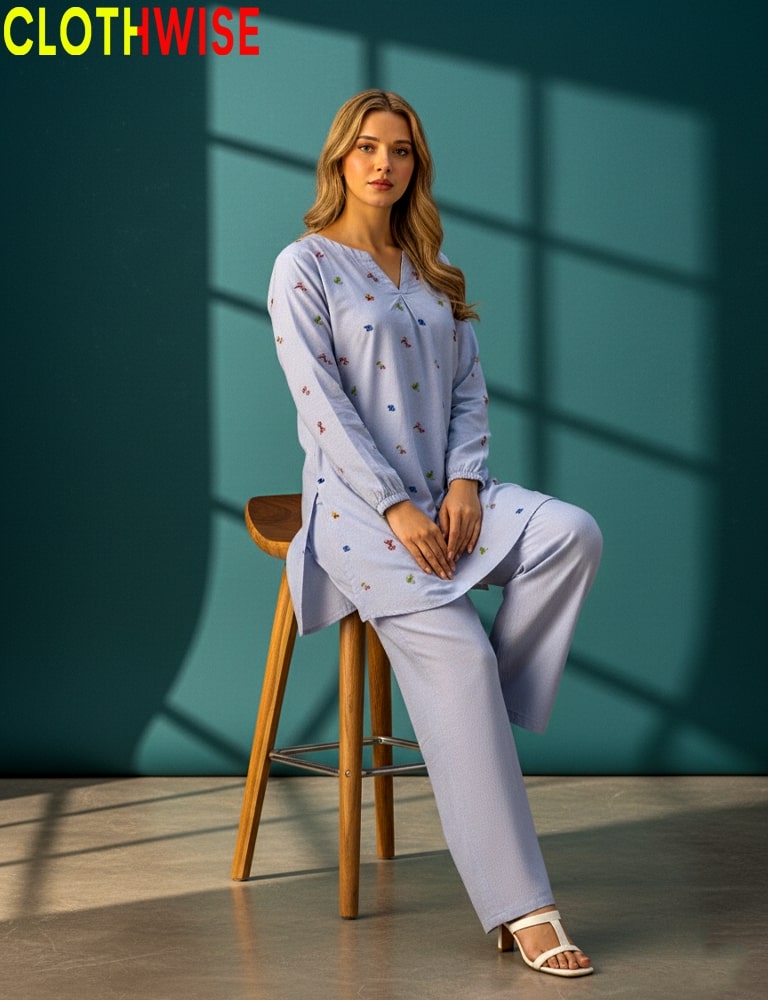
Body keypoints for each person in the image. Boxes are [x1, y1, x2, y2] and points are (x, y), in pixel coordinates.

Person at [267, 89, 602, 979]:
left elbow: (466, 390)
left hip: (449, 495)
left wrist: (461, 481)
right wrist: (395, 505)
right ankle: (524, 907)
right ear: (340, 158)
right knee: (460, 662)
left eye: (403, 151)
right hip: (360, 513)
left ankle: (482, 720)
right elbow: (323, 408)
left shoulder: (430, 264)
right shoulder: (303, 266)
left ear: (417, 165)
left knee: (572, 533)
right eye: (369, 148)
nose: (385, 164)